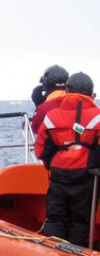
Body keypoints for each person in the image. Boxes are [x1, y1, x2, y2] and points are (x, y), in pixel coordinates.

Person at [34, 72, 100, 246]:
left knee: (56, 218)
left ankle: (53, 250)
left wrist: (52, 164)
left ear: (67, 91)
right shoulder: (98, 117)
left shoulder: (52, 117)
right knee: (80, 221)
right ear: (92, 94)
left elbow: (41, 149)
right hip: (86, 178)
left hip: (58, 177)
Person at [31, 65, 69, 133]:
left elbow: (36, 129)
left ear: (45, 85)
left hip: (52, 143)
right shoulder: (79, 105)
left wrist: (39, 106)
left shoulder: (43, 109)